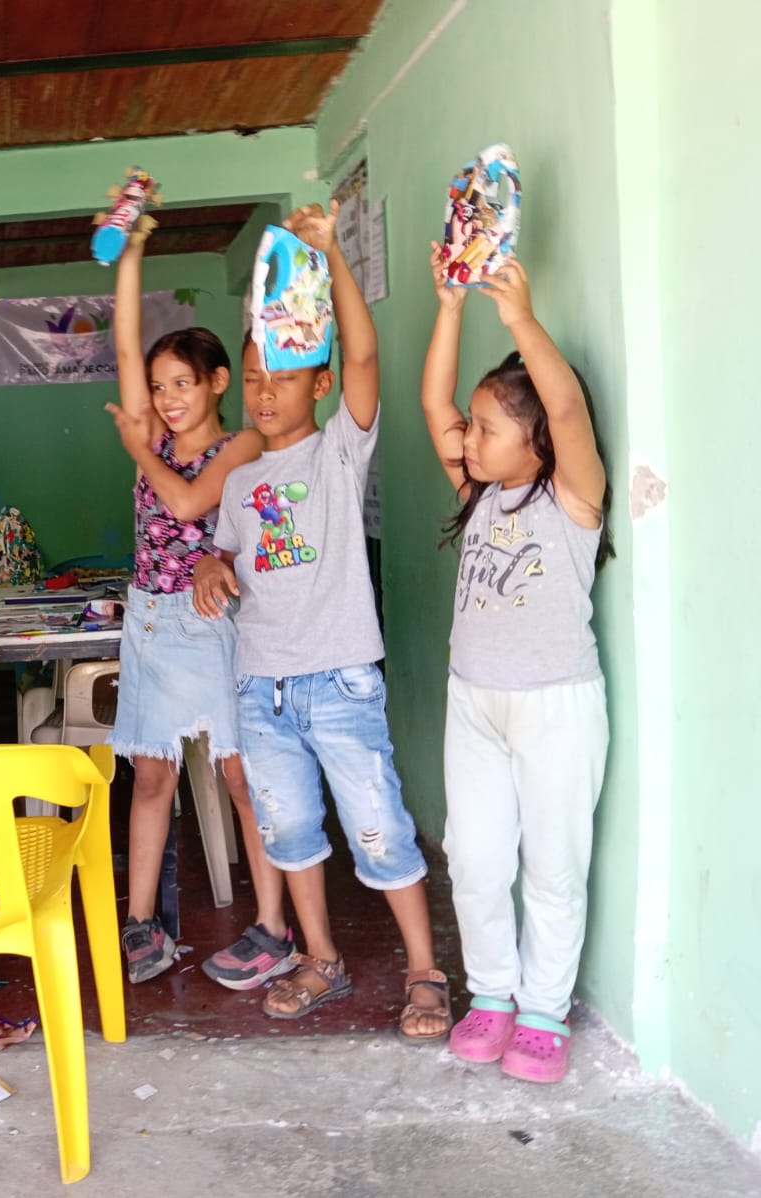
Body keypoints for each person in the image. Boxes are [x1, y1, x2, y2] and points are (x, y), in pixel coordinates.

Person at [195, 203, 451, 1042]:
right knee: (291, 832)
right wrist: (209, 567)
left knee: (380, 828)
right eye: (254, 378)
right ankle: (321, 958)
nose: (266, 392)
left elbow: (366, 353)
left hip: (340, 681)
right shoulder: (239, 481)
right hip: (261, 690)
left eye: (284, 376)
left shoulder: (340, 450)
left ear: (321, 383)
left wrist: (333, 250)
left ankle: (424, 970)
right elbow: (225, 552)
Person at [420, 249, 611, 1082]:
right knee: (475, 859)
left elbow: (565, 404)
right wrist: (449, 307)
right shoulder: (478, 495)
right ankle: (492, 995)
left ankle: (542, 1010)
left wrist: (520, 319)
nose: (467, 436)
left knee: (553, 866)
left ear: (537, 446)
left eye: (486, 427)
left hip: (555, 705)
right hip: (474, 703)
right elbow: (433, 404)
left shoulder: (572, 500)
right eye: (472, 425)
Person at [101, 220, 287, 987]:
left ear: (216, 382)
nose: (166, 399)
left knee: (241, 778)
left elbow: (184, 504)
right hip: (149, 621)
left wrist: (136, 450)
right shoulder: (152, 430)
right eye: (157, 387)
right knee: (152, 779)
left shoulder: (240, 445)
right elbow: (122, 349)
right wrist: (131, 252)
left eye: (182, 383)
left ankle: (272, 924)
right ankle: (141, 921)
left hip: (211, 625)